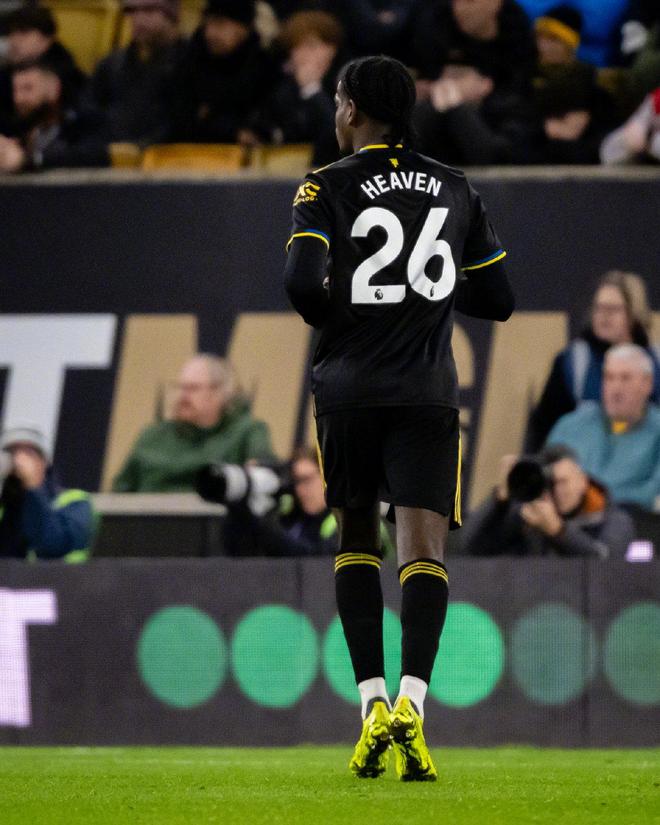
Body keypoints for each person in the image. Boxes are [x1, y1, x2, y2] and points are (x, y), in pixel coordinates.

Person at [283, 55, 514, 781]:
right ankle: (414, 702)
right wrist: (427, 292)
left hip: (347, 389)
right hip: (425, 390)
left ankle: (372, 706)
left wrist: (344, 308)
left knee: (356, 535)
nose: (335, 114)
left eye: (337, 101)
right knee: (423, 547)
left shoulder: (324, 184)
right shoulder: (455, 186)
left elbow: (299, 282)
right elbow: (499, 298)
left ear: (352, 109)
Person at [526, 270, 660, 451]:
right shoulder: (573, 363)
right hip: (583, 462)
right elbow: (545, 429)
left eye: (613, 309)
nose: (604, 315)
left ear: (634, 312)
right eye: (599, 308)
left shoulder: (655, 362)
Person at [112, 354, 275, 492]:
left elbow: (263, 469)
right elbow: (120, 492)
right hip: (148, 517)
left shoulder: (246, 432)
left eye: (193, 388)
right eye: (180, 387)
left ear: (219, 393)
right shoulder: (152, 437)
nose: (183, 396)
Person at [408, 0, 537, 165]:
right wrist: (440, 92)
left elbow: (521, 89)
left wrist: (475, 96)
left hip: (496, 123)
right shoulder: (436, 25)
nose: (459, 8)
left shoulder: (516, 32)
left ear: (495, 4)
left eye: (470, 2)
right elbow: (419, 77)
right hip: (439, 117)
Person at [462, 446, 635, 559]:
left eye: (563, 482)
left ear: (583, 481)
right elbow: (470, 547)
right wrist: (499, 499)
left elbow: (606, 565)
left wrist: (559, 532)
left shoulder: (613, 519)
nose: (557, 490)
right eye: (550, 483)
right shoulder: (531, 515)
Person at [547, 344, 660, 513]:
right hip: (565, 519)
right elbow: (545, 475)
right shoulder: (570, 424)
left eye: (625, 378)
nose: (615, 388)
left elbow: (652, 494)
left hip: (633, 521)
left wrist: (591, 499)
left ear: (647, 383)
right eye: (609, 377)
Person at [171, 0, 278, 145]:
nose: (210, 33)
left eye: (220, 24)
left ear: (243, 28)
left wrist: (211, 119)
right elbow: (182, 119)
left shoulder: (265, 69)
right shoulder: (190, 62)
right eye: (207, 23)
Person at [88, 0, 186, 146]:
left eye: (149, 11)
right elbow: (90, 111)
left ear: (171, 16)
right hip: (107, 151)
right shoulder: (112, 64)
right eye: (132, 11)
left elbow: (179, 126)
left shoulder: (189, 64)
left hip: (162, 155)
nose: (138, 19)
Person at [257, 10, 344, 166]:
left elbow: (335, 136)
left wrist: (312, 90)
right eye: (296, 47)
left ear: (331, 49)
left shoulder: (346, 85)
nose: (302, 55)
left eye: (311, 46)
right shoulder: (283, 89)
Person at [0, 425, 94, 561]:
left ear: (43, 462)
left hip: (58, 575)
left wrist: (33, 488)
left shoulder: (75, 501)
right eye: (12, 454)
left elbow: (52, 545)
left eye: (28, 454)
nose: (18, 462)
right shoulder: (7, 505)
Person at [0, 58, 108, 172]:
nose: (18, 99)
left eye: (28, 88)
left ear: (54, 87)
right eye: (15, 91)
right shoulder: (22, 133)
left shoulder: (84, 125)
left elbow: (90, 156)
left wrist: (28, 160)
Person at [0, 4, 86, 133]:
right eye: (11, 33)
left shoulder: (67, 77)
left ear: (45, 39)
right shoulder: (8, 71)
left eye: (24, 32)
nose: (14, 40)